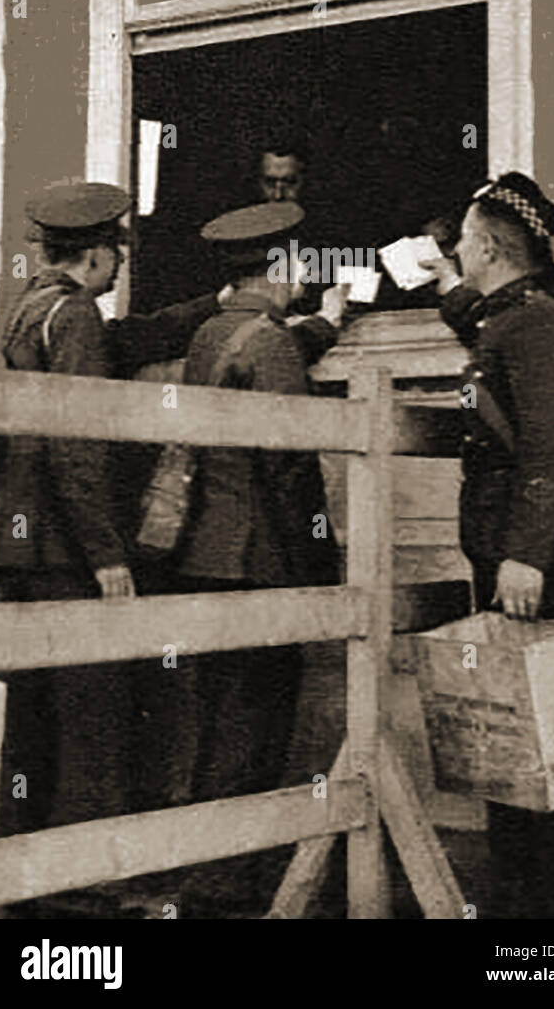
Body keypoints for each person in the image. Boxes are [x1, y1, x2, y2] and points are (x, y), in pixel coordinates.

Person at [0, 181, 227, 914]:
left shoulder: (20, 314)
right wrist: (106, 554)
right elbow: (76, 448)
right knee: (93, 713)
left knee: (32, 716)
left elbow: (129, 341)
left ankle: (19, 870)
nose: (120, 264)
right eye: (117, 251)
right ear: (94, 252)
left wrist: (213, 307)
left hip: (15, 550)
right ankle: (81, 883)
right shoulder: (76, 316)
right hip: (62, 552)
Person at [420, 171, 554, 921]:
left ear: (493, 245)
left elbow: (551, 451)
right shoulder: (515, 315)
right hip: (512, 563)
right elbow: (478, 323)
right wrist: (446, 282)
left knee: (550, 757)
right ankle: (532, 921)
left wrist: (528, 554)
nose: (457, 248)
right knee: (517, 751)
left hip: (539, 567)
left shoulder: (536, 324)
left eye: (464, 240)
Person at [166, 201, 344, 917]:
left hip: (203, 555)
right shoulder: (266, 340)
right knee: (255, 724)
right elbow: (290, 468)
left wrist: (323, 325)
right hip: (258, 559)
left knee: (216, 720)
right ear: (280, 266)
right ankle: (226, 884)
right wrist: (321, 564)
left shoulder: (214, 332)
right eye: (300, 262)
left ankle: (208, 868)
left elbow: (264, 358)